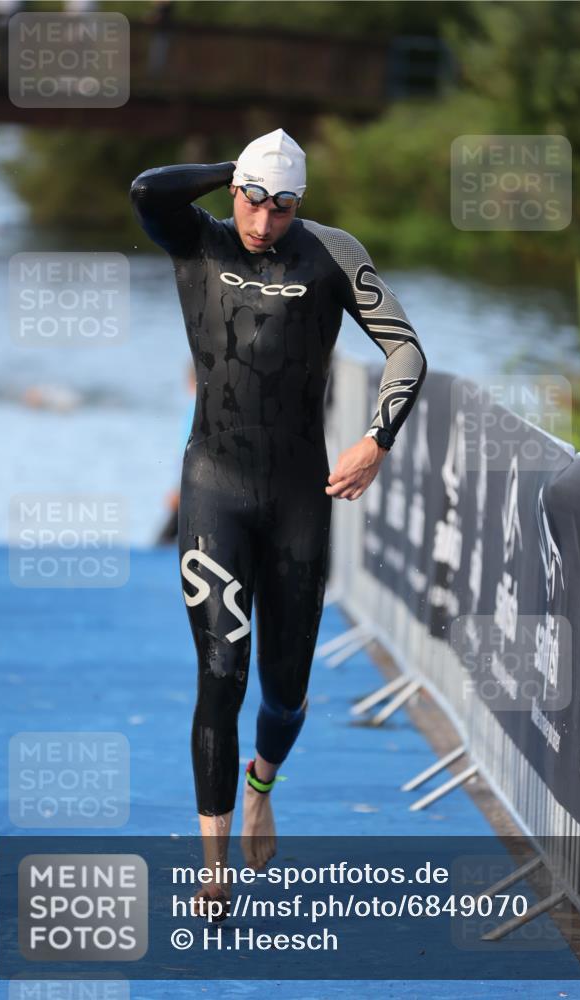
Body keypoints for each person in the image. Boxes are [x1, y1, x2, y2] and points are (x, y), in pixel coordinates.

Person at [130, 128, 427, 919]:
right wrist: (237, 168)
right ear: (234, 192)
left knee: (286, 692)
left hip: (299, 495)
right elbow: (147, 188)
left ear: (301, 204)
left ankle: (261, 783)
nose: (264, 222)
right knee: (221, 670)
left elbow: (405, 350)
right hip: (214, 488)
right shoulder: (198, 239)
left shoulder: (331, 253)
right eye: (253, 202)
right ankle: (213, 868)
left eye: (283, 206)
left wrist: (376, 439)